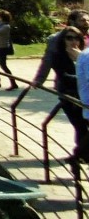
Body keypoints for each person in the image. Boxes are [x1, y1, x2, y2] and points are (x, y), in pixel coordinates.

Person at [33, 10, 89, 164]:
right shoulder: (58, 50)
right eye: (83, 20)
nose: (86, 23)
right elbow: (49, 63)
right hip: (69, 94)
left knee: (83, 128)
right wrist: (39, 79)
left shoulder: (85, 46)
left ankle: (79, 156)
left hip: (84, 94)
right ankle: (79, 156)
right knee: (80, 127)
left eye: (76, 38)